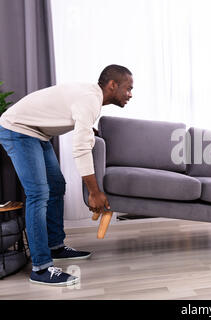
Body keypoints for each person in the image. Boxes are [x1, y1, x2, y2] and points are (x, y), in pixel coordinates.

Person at [0, 64, 133, 286]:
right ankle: (41, 269)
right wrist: (94, 192)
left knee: (56, 186)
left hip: (37, 133)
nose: (130, 94)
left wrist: (87, 128)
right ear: (112, 85)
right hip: (18, 130)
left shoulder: (91, 98)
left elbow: (73, 116)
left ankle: (55, 246)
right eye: (128, 88)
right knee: (38, 194)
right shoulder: (90, 100)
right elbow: (80, 148)